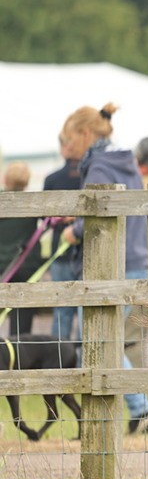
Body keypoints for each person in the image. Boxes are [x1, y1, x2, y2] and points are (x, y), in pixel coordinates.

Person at [61, 104, 148, 434]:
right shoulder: (124, 160)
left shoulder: (98, 166)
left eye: (70, 138)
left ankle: (141, 408)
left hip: (113, 262)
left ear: (85, 133)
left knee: (99, 338)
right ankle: (138, 408)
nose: (68, 146)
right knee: (108, 338)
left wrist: (74, 231)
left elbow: (98, 210)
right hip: (136, 257)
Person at [42, 135, 84, 344]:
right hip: (86, 252)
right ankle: (83, 357)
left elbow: (44, 218)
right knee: (87, 311)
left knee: (62, 310)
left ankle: (58, 357)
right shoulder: (89, 177)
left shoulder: (52, 179)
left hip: (60, 252)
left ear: (62, 148)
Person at [0, 162, 46, 337]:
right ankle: (18, 352)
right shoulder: (33, 202)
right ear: (26, 182)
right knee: (22, 327)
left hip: (2, 267)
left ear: (5, 180)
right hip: (26, 265)